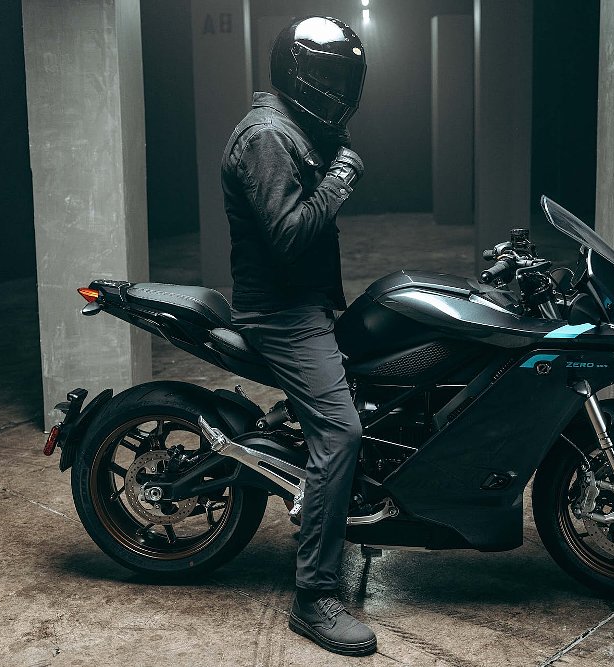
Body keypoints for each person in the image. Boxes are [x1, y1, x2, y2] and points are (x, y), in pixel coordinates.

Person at [220, 16, 376, 658]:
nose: (339, 88)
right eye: (330, 74)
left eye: (346, 76)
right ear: (298, 71)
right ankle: (315, 596)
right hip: (280, 313)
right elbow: (287, 236)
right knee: (341, 431)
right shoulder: (265, 136)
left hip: (307, 303)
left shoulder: (292, 124)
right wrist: (341, 175)